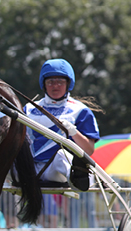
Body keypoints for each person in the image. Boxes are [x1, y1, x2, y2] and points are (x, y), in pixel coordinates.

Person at [24, 59, 101, 191]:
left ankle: (78, 181)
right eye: (50, 82)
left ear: (68, 84)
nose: (55, 86)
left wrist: (73, 131)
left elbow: (89, 150)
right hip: (28, 170)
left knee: (61, 155)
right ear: (44, 84)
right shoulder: (29, 108)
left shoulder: (81, 111)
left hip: (56, 171)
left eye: (60, 82)